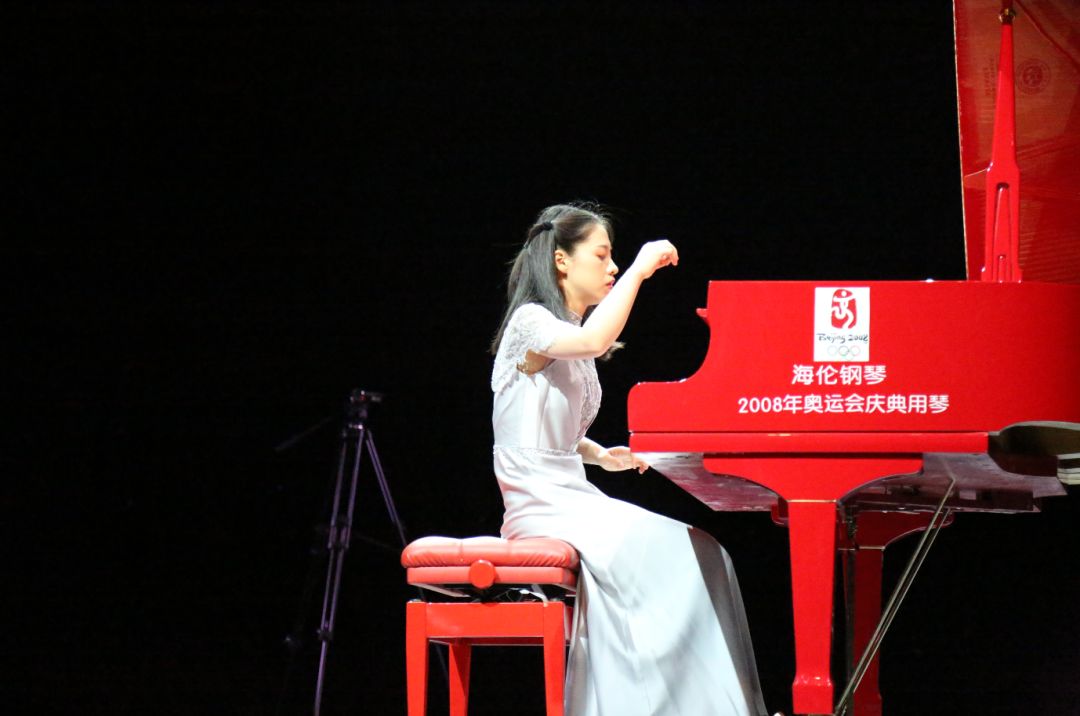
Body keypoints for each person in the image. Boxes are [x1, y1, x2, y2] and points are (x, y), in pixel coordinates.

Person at [490, 202, 769, 716]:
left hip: (571, 494)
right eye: (602, 255)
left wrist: (601, 455)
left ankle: (686, 702)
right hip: (540, 503)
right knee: (672, 553)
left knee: (703, 551)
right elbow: (593, 341)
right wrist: (641, 269)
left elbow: (545, 426)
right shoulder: (531, 322)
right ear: (561, 261)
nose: (613, 266)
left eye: (616, 257)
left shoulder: (561, 334)